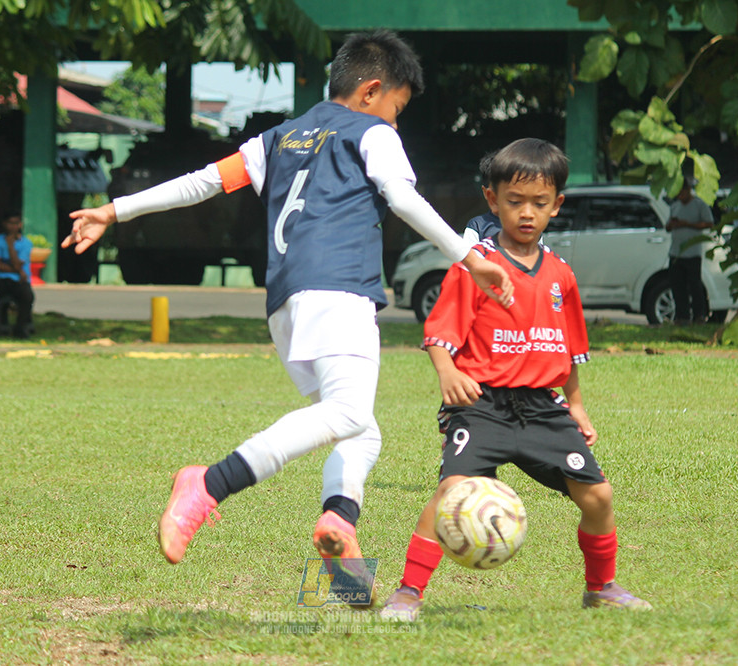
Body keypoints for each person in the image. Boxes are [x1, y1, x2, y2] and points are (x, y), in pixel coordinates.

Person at [62, 30, 514, 575]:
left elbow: (201, 183)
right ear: (372, 91)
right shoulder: (372, 133)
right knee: (347, 413)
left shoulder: (278, 137)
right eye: (398, 109)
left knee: (359, 425)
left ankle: (340, 524)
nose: (396, 122)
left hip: (285, 304)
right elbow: (402, 198)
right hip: (338, 291)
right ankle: (208, 483)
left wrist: (114, 210)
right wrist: (471, 256)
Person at [378, 139, 652, 622]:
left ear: (557, 206)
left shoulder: (561, 276)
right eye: (514, 202)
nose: (527, 213)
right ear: (492, 200)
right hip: (483, 405)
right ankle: (408, 593)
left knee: (599, 496)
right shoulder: (476, 267)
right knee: (451, 492)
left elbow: (566, 353)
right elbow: (440, 334)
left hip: (544, 408)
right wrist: (448, 372)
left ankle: (601, 587)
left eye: (539, 204)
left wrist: (578, 406)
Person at [666, 179, 714, 324]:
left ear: (688, 190)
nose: (680, 196)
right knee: (677, 285)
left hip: (693, 253)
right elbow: (667, 226)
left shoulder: (700, 205)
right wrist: (673, 224)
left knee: (695, 286)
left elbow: (709, 223)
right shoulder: (675, 206)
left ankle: (699, 315)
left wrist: (687, 224)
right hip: (676, 253)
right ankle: (682, 316)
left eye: (682, 192)